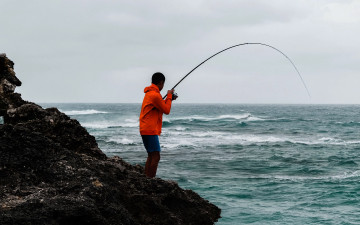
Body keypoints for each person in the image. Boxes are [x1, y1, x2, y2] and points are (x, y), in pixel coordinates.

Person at [139, 72, 177, 178]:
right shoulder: (155, 95)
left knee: (151, 155)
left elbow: (160, 106)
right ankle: (150, 180)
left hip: (145, 128)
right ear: (161, 82)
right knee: (156, 156)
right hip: (149, 129)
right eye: (163, 84)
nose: (163, 87)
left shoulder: (150, 93)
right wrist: (169, 96)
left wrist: (169, 99)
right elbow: (166, 110)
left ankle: (146, 178)